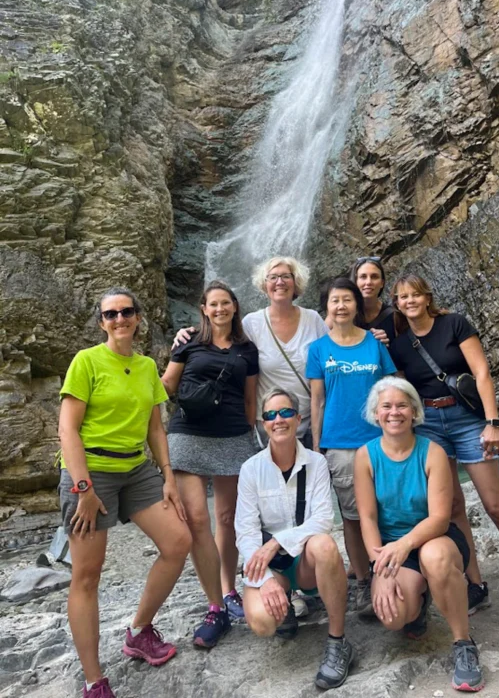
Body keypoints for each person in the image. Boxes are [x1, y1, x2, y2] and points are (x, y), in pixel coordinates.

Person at [388, 274, 499, 624]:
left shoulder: (454, 324)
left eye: (415, 294)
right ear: (397, 304)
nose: (410, 301)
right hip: (429, 424)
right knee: (453, 507)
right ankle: (475, 583)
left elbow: (481, 374)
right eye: (402, 297)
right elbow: (402, 393)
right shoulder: (400, 345)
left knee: (496, 506)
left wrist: (492, 423)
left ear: (427, 297)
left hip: (467, 420)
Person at [173, 256, 328, 618]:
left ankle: (306, 580)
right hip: (266, 428)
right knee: (255, 511)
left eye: (286, 277)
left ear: (296, 282)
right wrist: (185, 336)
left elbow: (336, 346)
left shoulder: (312, 321)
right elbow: (210, 344)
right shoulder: (253, 325)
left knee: (302, 505)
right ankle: (235, 591)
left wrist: (375, 334)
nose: (279, 282)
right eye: (273, 277)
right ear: (263, 285)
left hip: (303, 423)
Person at [58, 287, 192, 698]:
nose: (119, 319)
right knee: (87, 575)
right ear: (102, 322)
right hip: (90, 471)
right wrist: (83, 489)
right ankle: (93, 680)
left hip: (136, 469)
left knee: (178, 541)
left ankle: (138, 631)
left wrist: (168, 475)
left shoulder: (149, 366)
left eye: (126, 312)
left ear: (137, 317)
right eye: (111, 314)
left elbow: (155, 428)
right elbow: (67, 429)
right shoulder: (87, 361)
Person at [354, 377, 484, 692]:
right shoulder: (365, 456)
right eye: (386, 406)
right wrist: (379, 569)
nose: (394, 412)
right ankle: (420, 601)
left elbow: (440, 518)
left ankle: (463, 644)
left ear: (414, 411)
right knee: (394, 617)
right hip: (392, 552)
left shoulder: (433, 452)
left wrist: (403, 546)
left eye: (402, 405)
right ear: (376, 413)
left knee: (434, 557)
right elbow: (368, 518)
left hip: (435, 539)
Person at [235, 388, 354, 691]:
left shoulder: (317, 463)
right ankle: (283, 603)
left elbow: (323, 519)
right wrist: (265, 581)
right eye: (271, 415)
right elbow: (246, 533)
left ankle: (338, 641)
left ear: (299, 418)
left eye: (286, 412)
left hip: (306, 562)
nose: (279, 420)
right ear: (264, 424)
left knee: (325, 544)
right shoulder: (251, 470)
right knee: (263, 623)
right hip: (271, 567)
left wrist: (277, 541)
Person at [161, 280, 258, 646]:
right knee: (198, 519)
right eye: (213, 304)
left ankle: (229, 589)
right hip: (187, 434)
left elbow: (250, 399)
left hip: (233, 434)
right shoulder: (187, 342)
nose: (219, 309)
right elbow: (167, 385)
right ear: (203, 309)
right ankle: (215, 606)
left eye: (226, 303)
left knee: (228, 518)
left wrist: (248, 437)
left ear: (235, 307)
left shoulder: (248, 350)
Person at [307, 277, 397, 614]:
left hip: (381, 440)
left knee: (387, 509)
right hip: (339, 443)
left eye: (347, 299)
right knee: (353, 516)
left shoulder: (375, 344)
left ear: (357, 305)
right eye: (334, 301)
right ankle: (363, 580)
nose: (341, 306)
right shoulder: (318, 349)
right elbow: (317, 401)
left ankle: (389, 573)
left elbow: (393, 386)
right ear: (326, 308)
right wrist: (317, 448)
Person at [325, 256, 395, 342]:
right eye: (363, 277)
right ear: (356, 281)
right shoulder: (340, 314)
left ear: (382, 283)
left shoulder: (394, 316)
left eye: (374, 277)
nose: (368, 282)